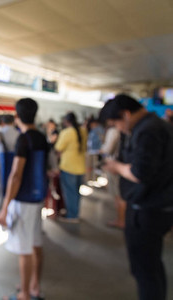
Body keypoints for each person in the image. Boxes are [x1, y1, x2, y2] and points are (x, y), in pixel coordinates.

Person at [99, 94, 173, 300]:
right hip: (158, 207)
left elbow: (141, 172)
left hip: (146, 210)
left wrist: (117, 167)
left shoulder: (148, 130)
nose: (119, 129)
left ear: (126, 114)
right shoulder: (157, 126)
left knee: (144, 270)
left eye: (117, 124)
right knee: (152, 266)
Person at [0, 98, 49, 300]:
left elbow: (16, 175)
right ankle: (35, 286)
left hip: (23, 201)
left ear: (16, 116)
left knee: (23, 249)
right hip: (37, 198)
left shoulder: (24, 139)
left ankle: (24, 294)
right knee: (35, 244)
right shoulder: (41, 138)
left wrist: (4, 206)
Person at [54, 112, 87, 223]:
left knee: (69, 192)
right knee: (76, 193)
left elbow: (58, 148)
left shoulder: (66, 133)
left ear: (66, 121)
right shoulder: (83, 131)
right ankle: (75, 213)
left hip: (68, 167)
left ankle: (71, 215)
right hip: (81, 166)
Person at [0, 115, 20, 216]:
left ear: (3, 122)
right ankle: (12, 209)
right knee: (13, 184)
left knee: (1, 186)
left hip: (0, 162)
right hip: (15, 162)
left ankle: (1, 209)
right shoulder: (18, 133)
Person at [100, 125, 126, 229]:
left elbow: (108, 149)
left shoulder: (114, 130)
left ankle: (121, 220)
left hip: (115, 165)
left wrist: (101, 149)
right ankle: (122, 219)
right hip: (123, 164)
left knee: (118, 195)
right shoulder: (128, 130)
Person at [85, 117, 104, 182]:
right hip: (91, 150)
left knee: (95, 166)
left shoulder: (99, 129)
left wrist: (100, 149)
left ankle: (94, 179)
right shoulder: (92, 130)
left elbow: (101, 139)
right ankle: (91, 179)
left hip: (96, 151)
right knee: (90, 166)